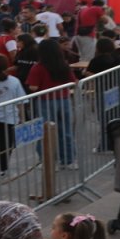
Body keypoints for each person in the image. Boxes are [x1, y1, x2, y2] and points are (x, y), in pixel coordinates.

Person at [26, 40, 77, 170]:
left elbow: (33, 87)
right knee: (65, 131)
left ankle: (47, 161)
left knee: (44, 132)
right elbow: (73, 82)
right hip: (64, 99)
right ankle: (68, 160)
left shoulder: (38, 67)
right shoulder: (64, 65)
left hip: (45, 101)